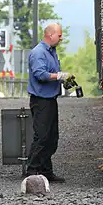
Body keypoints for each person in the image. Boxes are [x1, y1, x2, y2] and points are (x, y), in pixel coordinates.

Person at [25, 22, 69, 181]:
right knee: (42, 137)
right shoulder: (39, 53)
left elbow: (50, 73)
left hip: (50, 99)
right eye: (59, 35)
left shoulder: (51, 52)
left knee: (51, 138)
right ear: (50, 35)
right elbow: (40, 74)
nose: (61, 38)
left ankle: (45, 171)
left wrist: (63, 79)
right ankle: (31, 171)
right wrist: (59, 76)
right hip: (41, 100)